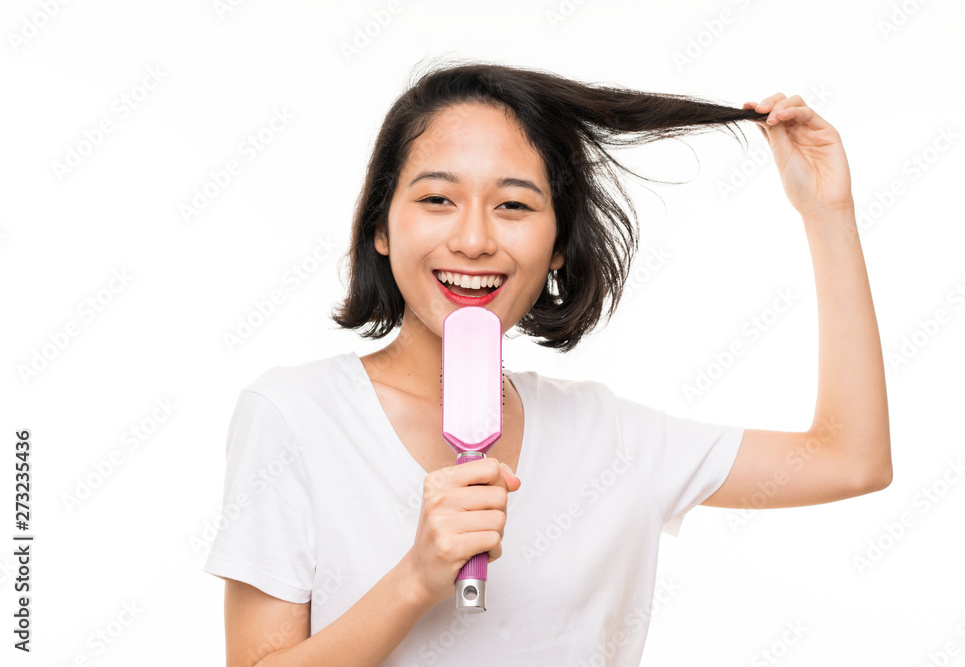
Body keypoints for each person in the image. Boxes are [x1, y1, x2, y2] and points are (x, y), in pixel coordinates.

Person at [203, 59, 892, 666]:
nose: (473, 238)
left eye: (513, 205)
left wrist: (827, 212)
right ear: (380, 225)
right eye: (437, 199)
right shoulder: (295, 416)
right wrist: (415, 577)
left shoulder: (610, 436)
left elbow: (850, 458)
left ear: (559, 244)